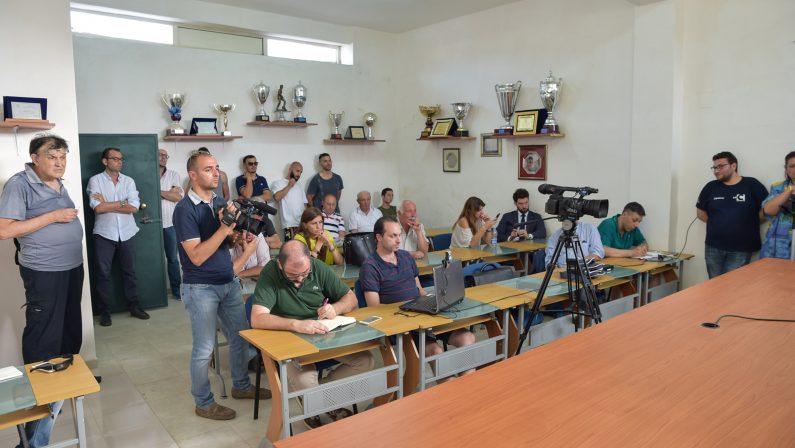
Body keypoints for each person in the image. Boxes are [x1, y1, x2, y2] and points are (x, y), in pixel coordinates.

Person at [173, 151, 270, 421]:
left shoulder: (219, 201)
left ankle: (241, 386)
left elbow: (221, 243)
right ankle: (203, 402)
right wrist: (225, 229)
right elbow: (197, 255)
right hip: (200, 288)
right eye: (207, 169)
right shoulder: (184, 210)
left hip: (228, 282)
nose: (215, 173)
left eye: (216, 168)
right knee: (204, 349)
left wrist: (238, 238)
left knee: (240, 338)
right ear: (193, 175)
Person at [0, 135, 83, 448]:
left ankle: (54, 405)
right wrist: (53, 216)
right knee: (42, 346)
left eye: (63, 156)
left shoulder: (59, 183)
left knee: (68, 342)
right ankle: (33, 436)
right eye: (53, 156)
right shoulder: (19, 185)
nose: (59, 162)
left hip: (71, 269)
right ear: (34, 157)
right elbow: (4, 229)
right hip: (44, 273)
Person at [250, 240, 373, 429]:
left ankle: (316, 399)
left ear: (309, 261)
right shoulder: (270, 273)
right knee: (305, 381)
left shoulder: (317, 267)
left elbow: (351, 298)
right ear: (280, 264)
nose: (300, 280)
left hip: (322, 332)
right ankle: (315, 399)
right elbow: (257, 318)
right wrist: (295, 324)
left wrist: (336, 308)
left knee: (365, 360)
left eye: (304, 274)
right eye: (293, 275)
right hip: (288, 336)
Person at [359, 217, 475, 381]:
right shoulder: (370, 266)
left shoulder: (406, 257)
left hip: (423, 313)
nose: (398, 240)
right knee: (436, 351)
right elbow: (375, 307)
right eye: (392, 236)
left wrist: (432, 301)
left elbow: (419, 289)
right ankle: (452, 390)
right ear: (379, 237)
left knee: (467, 337)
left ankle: (467, 386)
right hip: (402, 323)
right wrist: (410, 309)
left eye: (399, 235)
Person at [87, 147, 149, 326]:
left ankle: (134, 306)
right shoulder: (95, 180)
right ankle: (105, 311)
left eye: (121, 159)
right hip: (104, 234)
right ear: (105, 161)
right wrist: (122, 203)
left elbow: (134, 207)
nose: (119, 162)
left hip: (127, 232)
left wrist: (108, 203)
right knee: (102, 274)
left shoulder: (128, 181)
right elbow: (97, 207)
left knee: (130, 273)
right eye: (115, 159)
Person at [696, 151, 767, 278]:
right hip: (713, 246)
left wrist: (749, 223)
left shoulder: (752, 184)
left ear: (733, 166)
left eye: (721, 166)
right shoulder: (710, 187)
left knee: (731, 285)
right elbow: (701, 213)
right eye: (714, 167)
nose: (716, 170)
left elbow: (767, 209)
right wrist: (720, 224)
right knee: (714, 284)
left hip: (742, 248)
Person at [761, 151, 795, 259]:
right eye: (792, 166)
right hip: (778, 246)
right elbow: (768, 210)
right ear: (786, 169)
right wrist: (790, 189)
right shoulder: (777, 187)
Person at [159, 148, 183, 300]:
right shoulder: (147, 173)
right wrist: (168, 192)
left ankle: (176, 291)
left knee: (173, 259)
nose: (163, 158)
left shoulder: (174, 175)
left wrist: (157, 191)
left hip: (170, 224)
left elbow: (177, 197)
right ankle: (155, 293)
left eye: (165, 155)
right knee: (152, 258)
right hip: (151, 225)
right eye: (160, 155)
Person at [271, 161, 307, 240]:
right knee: (290, 249)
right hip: (289, 224)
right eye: (297, 171)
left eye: (301, 172)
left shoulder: (300, 186)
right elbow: (277, 197)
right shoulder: (278, 183)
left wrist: (306, 221)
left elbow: (305, 205)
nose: (299, 174)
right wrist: (289, 186)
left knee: (303, 248)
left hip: (302, 224)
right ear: (290, 169)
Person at [229, 231, 270, 296]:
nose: (250, 234)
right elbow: (229, 271)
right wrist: (246, 252)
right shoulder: (229, 238)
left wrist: (240, 274)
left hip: (255, 284)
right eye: (243, 231)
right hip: (232, 287)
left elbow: (266, 268)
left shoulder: (258, 236)